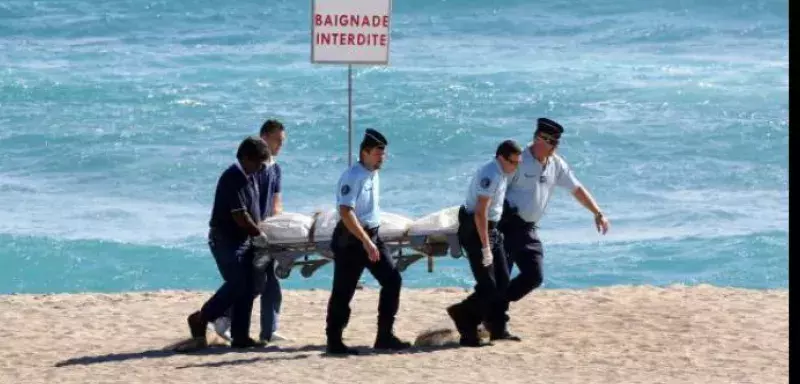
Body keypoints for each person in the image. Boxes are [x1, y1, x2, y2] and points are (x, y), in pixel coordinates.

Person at [493, 118, 610, 340]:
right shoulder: (520, 160)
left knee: (534, 276)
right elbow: (497, 188)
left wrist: (597, 212)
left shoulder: (556, 164)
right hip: (507, 227)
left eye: (555, 143)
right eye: (548, 141)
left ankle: (492, 307)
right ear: (538, 139)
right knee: (501, 278)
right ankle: (497, 326)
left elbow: (576, 189)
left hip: (528, 229)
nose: (553, 147)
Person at [324, 128, 412, 355]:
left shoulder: (373, 172)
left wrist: (371, 240)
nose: (382, 158)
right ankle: (334, 341)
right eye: (377, 154)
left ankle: (384, 336)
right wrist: (365, 241)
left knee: (393, 280)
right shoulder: (352, 176)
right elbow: (346, 211)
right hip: (352, 241)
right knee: (343, 292)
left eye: (383, 154)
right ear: (365, 152)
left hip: (372, 236)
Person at [185, 136, 271, 349]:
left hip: (243, 239)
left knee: (249, 285)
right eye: (258, 163)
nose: (260, 168)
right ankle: (201, 317)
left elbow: (253, 212)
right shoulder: (233, 178)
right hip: (225, 239)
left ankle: (240, 336)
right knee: (237, 283)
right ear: (246, 158)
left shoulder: (249, 177)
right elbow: (240, 215)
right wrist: (259, 234)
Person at [210, 119, 290, 343]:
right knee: (248, 283)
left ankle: (268, 330)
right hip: (247, 233)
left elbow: (276, 201)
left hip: (261, 230)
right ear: (264, 138)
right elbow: (241, 211)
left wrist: (275, 225)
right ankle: (221, 317)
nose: (280, 147)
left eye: (282, 142)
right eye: (277, 141)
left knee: (268, 280)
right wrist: (257, 232)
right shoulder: (251, 168)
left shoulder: (274, 169)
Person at [447, 140, 523, 347]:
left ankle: (497, 329)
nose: (515, 167)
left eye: (518, 163)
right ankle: (463, 318)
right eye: (513, 162)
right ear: (501, 158)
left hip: (492, 231)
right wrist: (485, 247)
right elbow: (480, 213)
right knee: (488, 286)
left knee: (503, 283)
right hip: (478, 232)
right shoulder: (491, 174)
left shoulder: (502, 172)